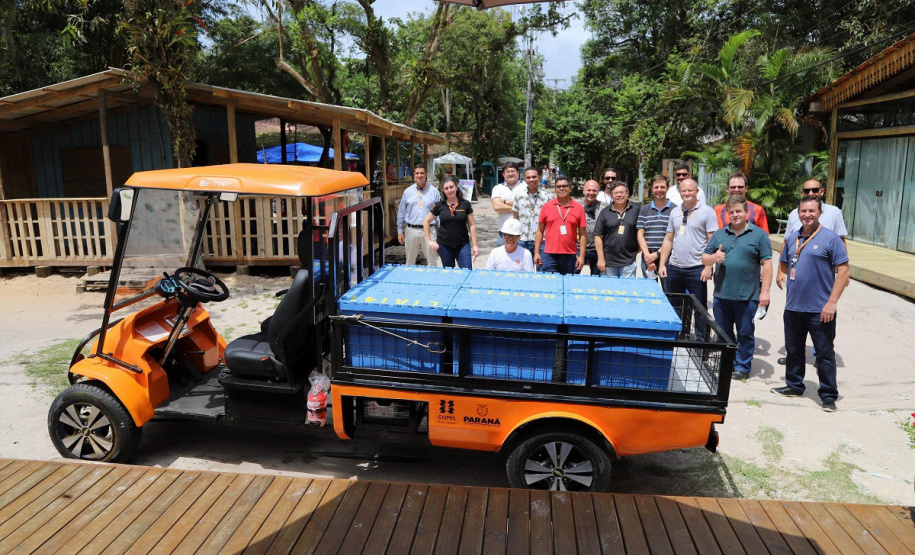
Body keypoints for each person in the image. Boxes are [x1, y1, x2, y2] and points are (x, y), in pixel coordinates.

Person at [772, 196, 850, 412]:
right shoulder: (793, 237)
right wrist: (781, 274)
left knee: (824, 354)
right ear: (798, 213)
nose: (807, 215)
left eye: (811, 211)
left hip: (820, 309)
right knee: (793, 350)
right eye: (803, 211)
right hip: (793, 307)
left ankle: (828, 395)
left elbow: (844, 272)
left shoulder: (831, 239)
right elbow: (785, 261)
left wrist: (832, 303)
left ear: (820, 213)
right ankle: (794, 385)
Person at [776, 178, 848, 365]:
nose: (811, 193)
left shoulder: (833, 212)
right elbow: (788, 241)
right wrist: (781, 270)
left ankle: (820, 357)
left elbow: (841, 241)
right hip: (797, 280)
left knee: (821, 323)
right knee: (795, 329)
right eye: (807, 190)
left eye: (815, 190)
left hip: (820, 275)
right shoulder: (794, 214)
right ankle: (794, 361)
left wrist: (843, 270)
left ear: (821, 191)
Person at [701, 195, 773, 380]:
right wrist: (714, 258)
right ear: (727, 214)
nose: (735, 215)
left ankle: (742, 366)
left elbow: (767, 263)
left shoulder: (759, 235)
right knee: (723, 333)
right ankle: (729, 362)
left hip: (747, 295)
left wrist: (765, 291)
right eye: (731, 212)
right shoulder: (720, 234)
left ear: (746, 212)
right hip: (722, 294)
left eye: (738, 211)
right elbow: (704, 258)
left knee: (745, 332)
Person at [658, 179, 717, 310]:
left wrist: (708, 267)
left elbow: (712, 241)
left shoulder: (707, 212)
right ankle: (680, 325)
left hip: (696, 268)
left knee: (699, 309)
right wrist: (662, 264)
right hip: (674, 268)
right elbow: (668, 239)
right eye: (683, 190)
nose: (687, 193)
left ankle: (699, 326)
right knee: (675, 308)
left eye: (690, 190)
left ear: (697, 191)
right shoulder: (675, 211)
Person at [534, 176, 586, 275]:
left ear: (570, 188)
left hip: (570, 255)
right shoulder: (546, 207)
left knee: (568, 283)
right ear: (555, 189)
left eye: (564, 186)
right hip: (549, 255)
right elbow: (539, 231)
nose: (561, 188)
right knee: (549, 283)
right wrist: (536, 252)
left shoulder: (579, 208)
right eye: (558, 187)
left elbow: (583, 234)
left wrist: (582, 256)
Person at [424, 178, 478, 269]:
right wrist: (429, 240)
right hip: (444, 245)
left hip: (462, 244)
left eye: (451, 187)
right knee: (449, 273)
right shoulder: (439, 205)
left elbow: (472, 225)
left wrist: (475, 245)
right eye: (446, 188)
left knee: (467, 271)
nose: (449, 190)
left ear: (456, 187)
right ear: (443, 191)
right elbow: (426, 221)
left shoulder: (465, 204)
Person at [594, 181, 641, 277]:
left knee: (627, 286)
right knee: (610, 286)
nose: (619, 195)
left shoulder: (637, 210)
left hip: (629, 261)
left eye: (621, 192)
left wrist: (637, 250)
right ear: (611, 195)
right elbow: (598, 236)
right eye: (615, 193)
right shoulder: (605, 212)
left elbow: (642, 232)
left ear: (627, 193)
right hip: (609, 262)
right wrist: (601, 258)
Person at [397, 165, 440, 266]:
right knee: (410, 261)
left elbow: (439, 213)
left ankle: (432, 276)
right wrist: (399, 231)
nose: (419, 175)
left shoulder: (434, 191)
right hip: (411, 230)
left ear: (426, 174)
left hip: (429, 230)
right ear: (414, 175)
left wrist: (441, 231)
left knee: (432, 261)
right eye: (417, 173)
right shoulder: (408, 192)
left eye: (422, 173)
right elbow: (401, 212)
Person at [637, 174, 676, 284]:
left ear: (667, 188)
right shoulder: (644, 209)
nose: (659, 190)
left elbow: (674, 236)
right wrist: (648, 257)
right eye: (656, 187)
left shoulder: (675, 210)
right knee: (649, 291)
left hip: (668, 257)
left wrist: (657, 254)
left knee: (668, 291)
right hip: (647, 258)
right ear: (652, 189)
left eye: (662, 187)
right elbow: (640, 234)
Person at [512, 167, 554, 257]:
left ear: (539, 177)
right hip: (523, 240)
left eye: (534, 177)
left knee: (542, 265)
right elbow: (515, 218)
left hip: (543, 241)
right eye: (528, 177)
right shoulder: (518, 196)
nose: (531, 180)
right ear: (524, 179)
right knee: (523, 266)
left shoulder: (548, 196)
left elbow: (552, 220)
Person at [491, 163, 523, 246]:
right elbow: (497, 206)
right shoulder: (498, 188)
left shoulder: (525, 187)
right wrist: (519, 208)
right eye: (508, 172)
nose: (510, 174)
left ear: (518, 172)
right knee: (502, 254)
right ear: (503, 174)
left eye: (513, 171)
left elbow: (529, 204)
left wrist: (505, 203)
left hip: (523, 232)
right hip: (504, 231)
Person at [581, 180, 606, 275]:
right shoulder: (576, 206)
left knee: (597, 279)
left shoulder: (605, 208)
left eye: (594, 190)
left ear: (598, 192)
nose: (591, 193)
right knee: (572, 276)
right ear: (583, 191)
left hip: (597, 250)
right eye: (589, 190)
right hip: (578, 249)